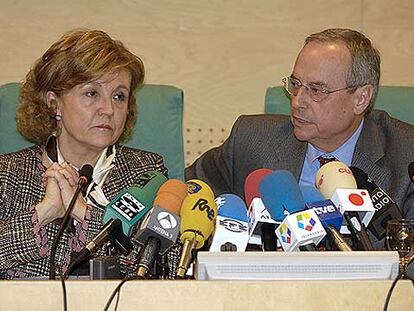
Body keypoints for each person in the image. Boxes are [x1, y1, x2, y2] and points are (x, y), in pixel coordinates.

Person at [185, 29, 414, 254]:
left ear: (361, 98)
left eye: (316, 90)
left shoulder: (406, 155)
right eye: (295, 84)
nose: (297, 102)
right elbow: (188, 194)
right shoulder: (250, 140)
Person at [0, 29, 179, 279]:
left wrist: (85, 212)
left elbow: (166, 266)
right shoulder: (8, 173)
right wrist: (43, 213)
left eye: (119, 96)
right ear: (54, 103)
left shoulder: (146, 173)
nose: (108, 109)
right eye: (91, 93)